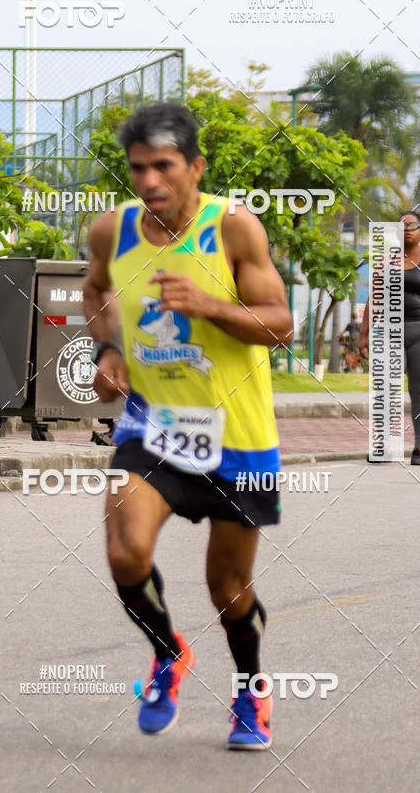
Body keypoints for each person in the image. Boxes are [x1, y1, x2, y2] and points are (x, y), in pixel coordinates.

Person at [83, 102, 293, 750]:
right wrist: (108, 350)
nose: (149, 180)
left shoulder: (234, 229)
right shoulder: (109, 231)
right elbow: (96, 293)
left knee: (227, 590)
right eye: (139, 167)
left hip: (237, 434)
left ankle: (251, 693)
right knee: (124, 552)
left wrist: (208, 303)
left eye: (164, 166)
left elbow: (280, 324)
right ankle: (167, 654)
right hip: (154, 425)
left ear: (195, 167)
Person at [359, 211, 420, 465]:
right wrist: (364, 333)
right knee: (386, 389)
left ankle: (419, 448)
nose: (408, 228)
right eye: (402, 225)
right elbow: (374, 299)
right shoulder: (385, 263)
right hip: (390, 332)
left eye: (413, 225)